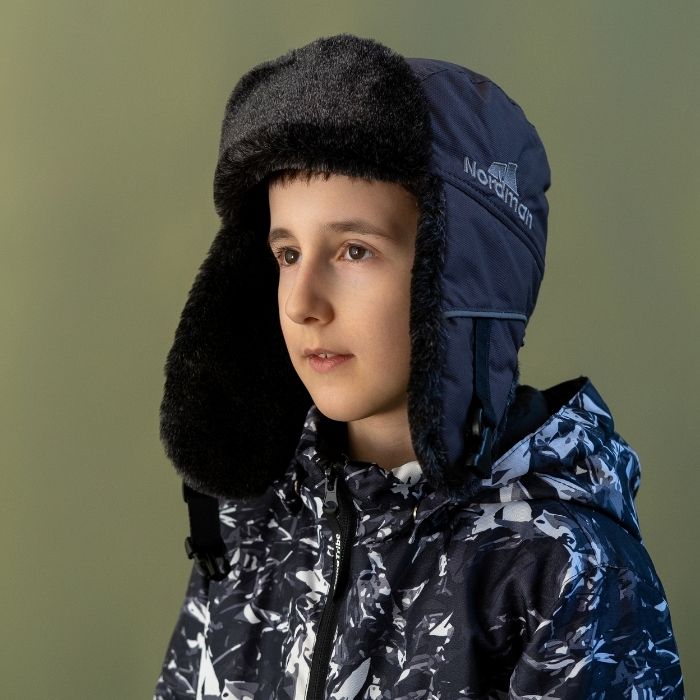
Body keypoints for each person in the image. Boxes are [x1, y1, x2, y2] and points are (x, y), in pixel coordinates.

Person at [154, 33, 684, 699]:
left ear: (461, 275)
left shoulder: (558, 567)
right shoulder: (255, 519)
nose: (302, 303)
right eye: (287, 254)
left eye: (354, 251)